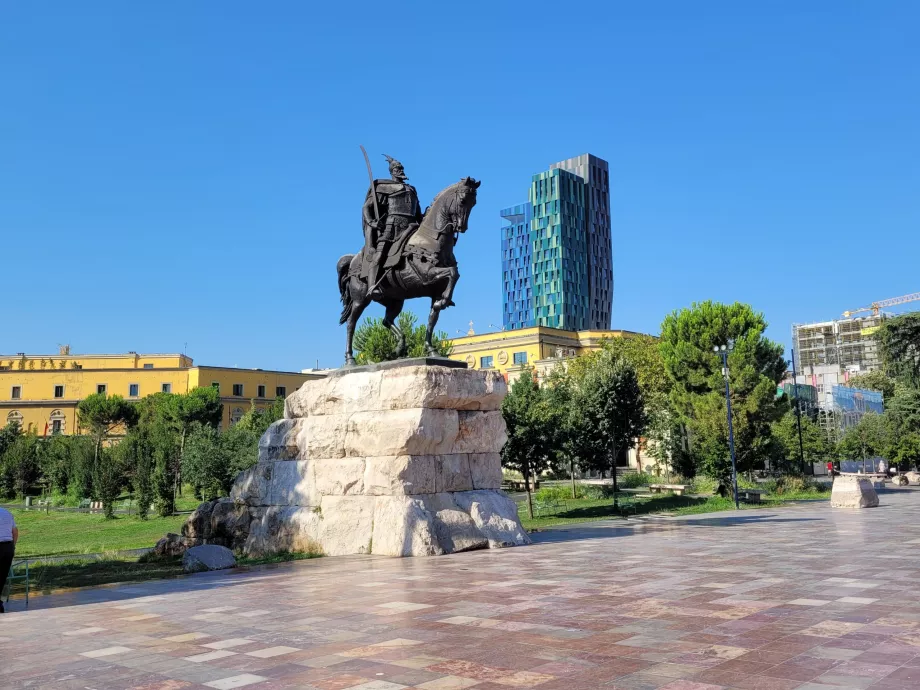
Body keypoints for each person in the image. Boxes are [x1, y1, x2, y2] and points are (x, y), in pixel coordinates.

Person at [361, 154, 424, 298]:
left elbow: (418, 212)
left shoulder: (412, 189)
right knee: (380, 253)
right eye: (397, 168)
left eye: (401, 168)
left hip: (412, 226)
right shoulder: (384, 187)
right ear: (392, 171)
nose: (401, 170)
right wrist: (371, 222)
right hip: (392, 227)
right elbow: (367, 207)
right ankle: (372, 285)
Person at [0, 506, 18, 613]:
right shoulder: (7, 513)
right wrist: (13, 547)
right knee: (2, 577)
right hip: (8, 548)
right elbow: (15, 532)